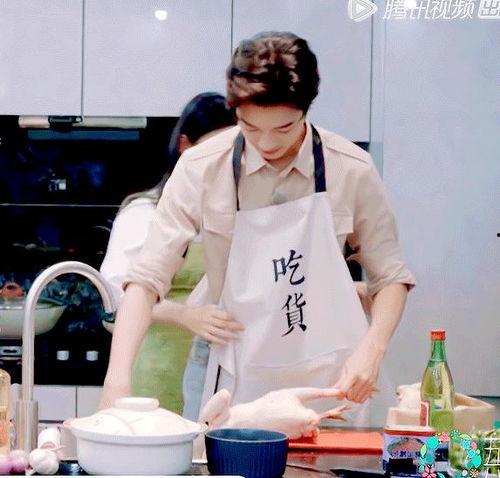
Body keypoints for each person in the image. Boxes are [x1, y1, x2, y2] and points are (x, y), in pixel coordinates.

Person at [100, 32, 415, 425]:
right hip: (235, 370)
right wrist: (117, 380)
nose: (266, 143)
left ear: (306, 110)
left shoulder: (350, 168)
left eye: (283, 129)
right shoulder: (202, 167)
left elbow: (390, 276)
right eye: (250, 127)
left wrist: (372, 350)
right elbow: (146, 280)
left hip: (331, 373)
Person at [99, 93, 242, 411]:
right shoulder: (144, 212)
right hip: (157, 364)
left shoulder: (235, 216)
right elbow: (117, 296)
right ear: (185, 146)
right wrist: (185, 315)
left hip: (216, 370)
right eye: (212, 148)